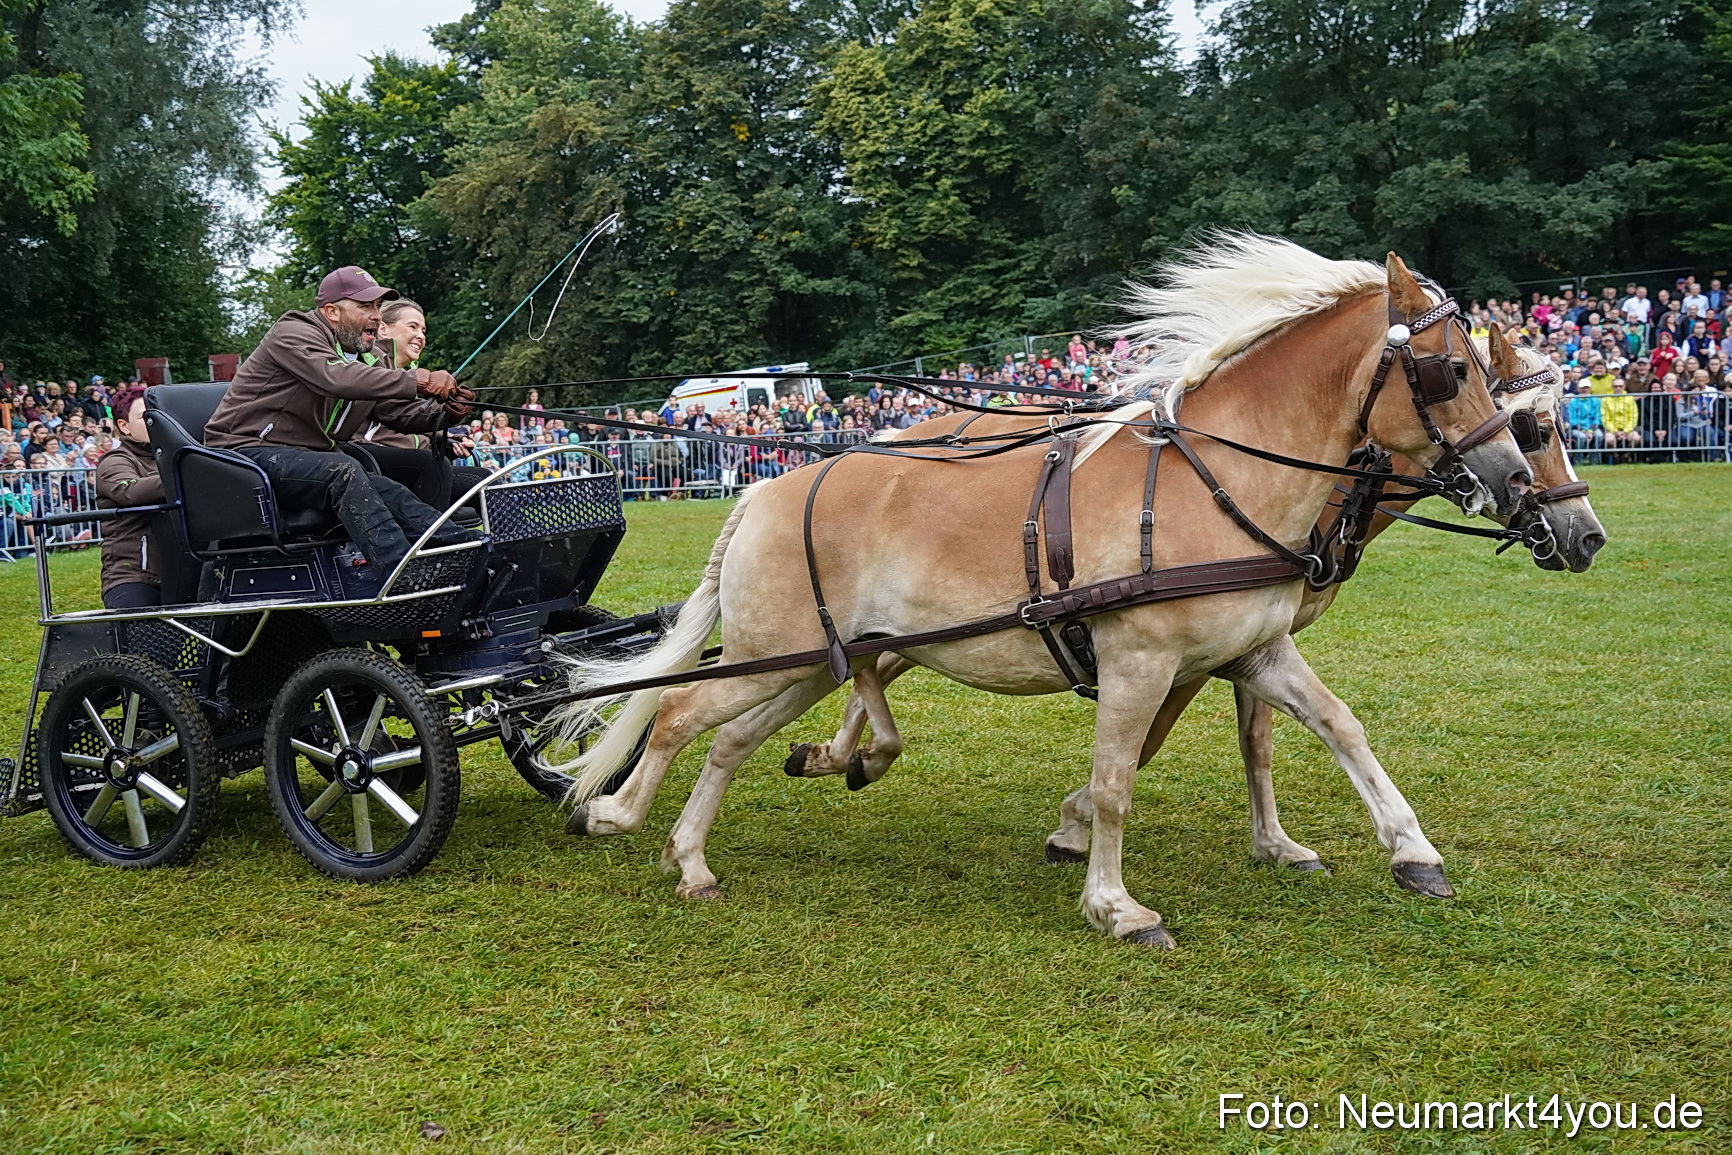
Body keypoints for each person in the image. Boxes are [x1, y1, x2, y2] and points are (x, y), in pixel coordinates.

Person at [203, 266, 477, 596]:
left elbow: (397, 413)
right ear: (332, 311)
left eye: (378, 307)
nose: (376, 316)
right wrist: (416, 379)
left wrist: (445, 415)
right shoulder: (293, 331)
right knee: (344, 470)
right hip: (242, 454)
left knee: (387, 489)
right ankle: (402, 578)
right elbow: (333, 376)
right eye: (365, 307)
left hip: (303, 457)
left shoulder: (368, 357)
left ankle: (468, 554)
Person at [93, 385, 167, 608]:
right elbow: (129, 491)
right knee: (144, 632)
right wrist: (187, 475)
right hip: (133, 577)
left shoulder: (178, 457)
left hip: (185, 574)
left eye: (160, 415)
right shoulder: (114, 461)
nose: (155, 422)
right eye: (146, 417)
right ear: (123, 426)